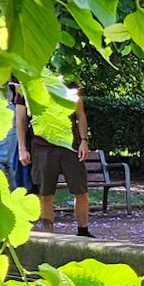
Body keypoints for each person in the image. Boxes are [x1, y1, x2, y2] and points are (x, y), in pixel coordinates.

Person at [26, 88, 92, 236]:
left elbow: (80, 115)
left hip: (70, 146)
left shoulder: (69, 86)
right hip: (43, 148)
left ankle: (83, 231)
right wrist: (22, 148)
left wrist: (84, 141)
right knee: (45, 195)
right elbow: (22, 118)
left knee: (81, 192)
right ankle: (49, 235)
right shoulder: (32, 85)